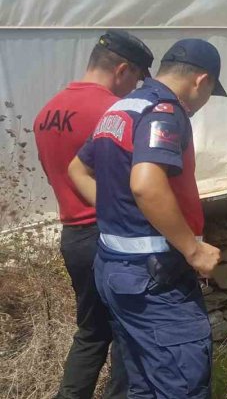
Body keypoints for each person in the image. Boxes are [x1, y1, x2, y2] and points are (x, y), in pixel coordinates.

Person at [68, 39, 226, 398]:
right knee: (181, 383)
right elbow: (146, 185)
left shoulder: (123, 108)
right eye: (210, 92)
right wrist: (193, 250)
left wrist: (116, 209)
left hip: (115, 268)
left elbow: (77, 169)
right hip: (155, 277)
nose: (203, 104)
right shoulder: (166, 112)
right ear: (202, 81)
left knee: (143, 383)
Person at [34, 29, 152, 399]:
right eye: (135, 78)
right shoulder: (113, 112)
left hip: (74, 237)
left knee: (91, 332)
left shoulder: (46, 113)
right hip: (110, 236)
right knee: (127, 332)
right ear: (122, 69)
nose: (134, 88)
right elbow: (136, 181)